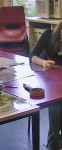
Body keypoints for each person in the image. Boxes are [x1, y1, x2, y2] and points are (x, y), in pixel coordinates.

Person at [30, 21, 62, 150]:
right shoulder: (48, 34)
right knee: (57, 102)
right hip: (49, 76)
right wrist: (43, 62)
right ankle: (53, 141)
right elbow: (32, 55)